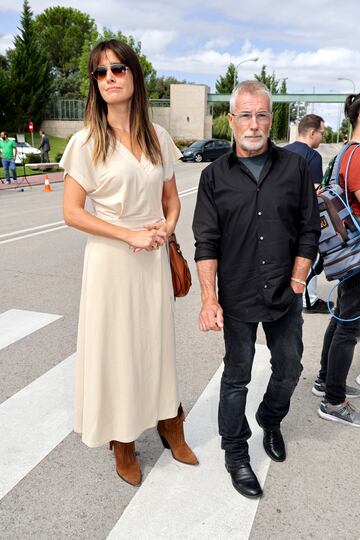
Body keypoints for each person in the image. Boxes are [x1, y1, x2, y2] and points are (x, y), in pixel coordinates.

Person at [61, 39, 198, 486]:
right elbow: (72, 212)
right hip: (111, 262)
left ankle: (168, 420)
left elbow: (171, 201)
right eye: (99, 73)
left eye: (118, 69)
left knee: (154, 343)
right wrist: (129, 234)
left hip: (152, 259)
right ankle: (121, 439)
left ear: (134, 76)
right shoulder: (86, 142)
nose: (109, 79)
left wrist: (163, 227)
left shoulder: (157, 137)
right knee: (117, 349)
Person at [193, 80, 320, 499]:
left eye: (261, 114)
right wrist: (209, 299)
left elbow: (307, 229)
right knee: (237, 376)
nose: (253, 124)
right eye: (245, 115)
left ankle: (270, 418)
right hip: (239, 295)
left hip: (285, 293)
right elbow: (206, 242)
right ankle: (236, 453)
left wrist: (299, 279)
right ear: (231, 120)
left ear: (272, 118)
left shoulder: (296, 167)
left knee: (290, 368)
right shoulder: (213, 177)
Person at [316, 93, 360, 426]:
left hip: (345, 252)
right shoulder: (359, 156)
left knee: (342, 318)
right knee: (350, 325)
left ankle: (324, 379)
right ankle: (334, 401)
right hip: (356, 253)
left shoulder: (344, 152)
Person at [285, 114, 330, 314]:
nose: (322, 137)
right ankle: (308, 300)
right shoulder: (313, 157)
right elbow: (312, 194)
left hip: (281, 218)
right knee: (308, 257)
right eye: (322, 132)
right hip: (301, 220)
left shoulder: (282, 151)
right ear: (312, 132)